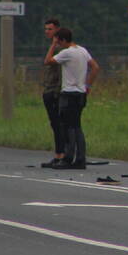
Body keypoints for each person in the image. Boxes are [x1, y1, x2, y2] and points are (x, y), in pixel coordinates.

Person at [44, 27, 99, 170]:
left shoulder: (66, 52)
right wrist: (88, 86)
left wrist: (52, 45)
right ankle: (80, 158)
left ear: (62, 40)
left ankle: (68, 158)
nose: (58, 44)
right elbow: (95, 67)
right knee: (77, 126)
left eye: (58, 41)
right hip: (81, 93)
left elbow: (47, 61)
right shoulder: (82, 50)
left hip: (68, 94)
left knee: (68, 127)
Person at [40, 18, 65, 168]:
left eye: (50, 29)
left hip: (55, 90)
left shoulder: (59, 49)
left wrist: (57, 91)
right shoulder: (54, 47)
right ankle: (59, 154)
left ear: (57, 30)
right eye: (46, 29)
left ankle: (60, 154)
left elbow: (49, 63)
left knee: (58, 124)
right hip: (49, 88)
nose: (47, 32)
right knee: (54, 124)